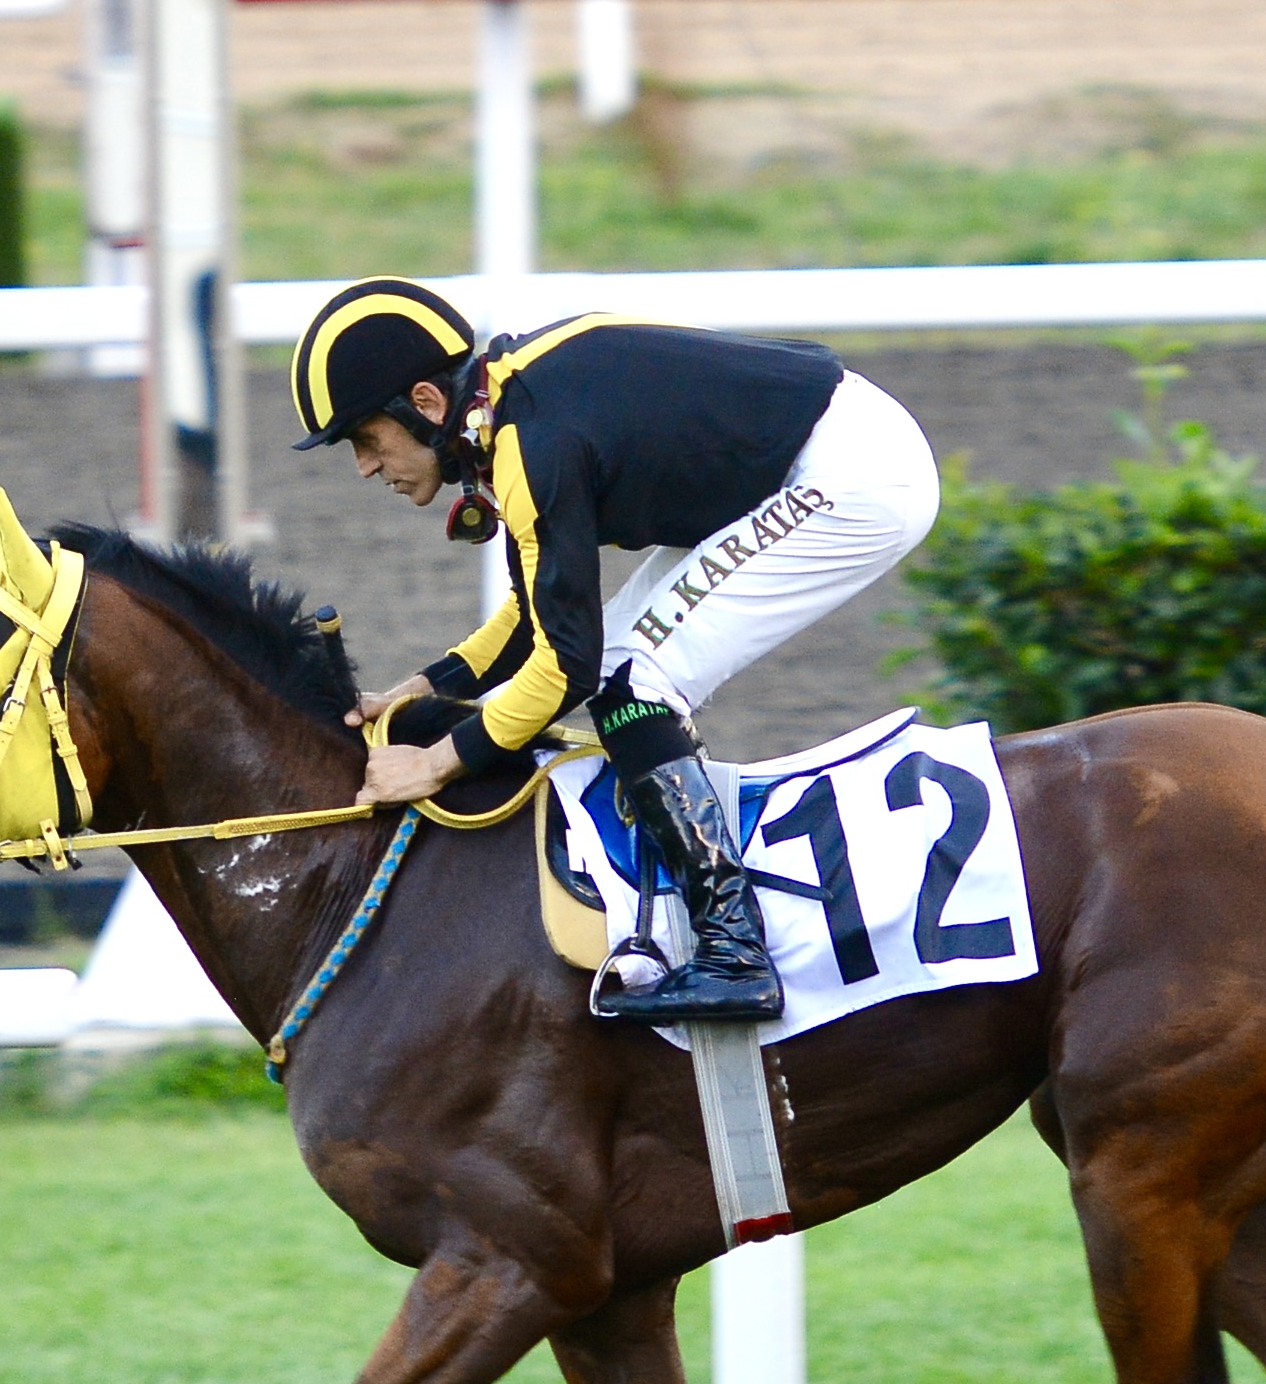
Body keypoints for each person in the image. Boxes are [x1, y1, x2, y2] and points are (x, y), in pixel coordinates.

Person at [290, 276, 942, 1024]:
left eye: (366, 439)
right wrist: (423, 687)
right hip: (817, 453)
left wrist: (436, 762)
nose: (366, 466)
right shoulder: (509, 413)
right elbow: (536, 618)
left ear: (426, 403)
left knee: (632, 682)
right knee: (615, 673)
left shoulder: (532, 442)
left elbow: (561, 665)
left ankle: (734, 951)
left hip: (854, 475)